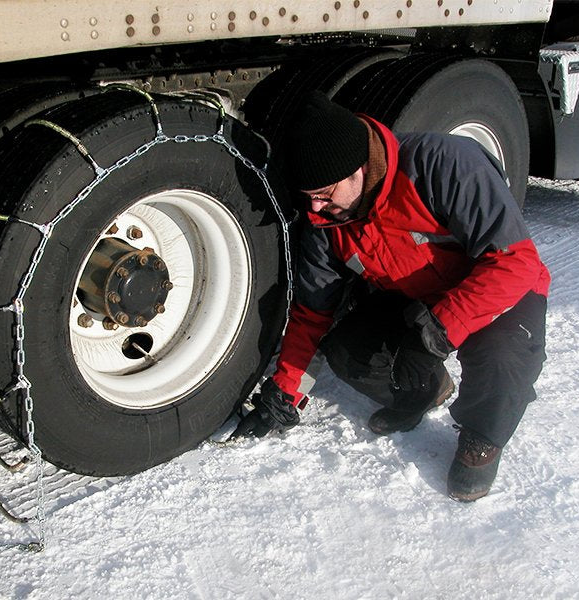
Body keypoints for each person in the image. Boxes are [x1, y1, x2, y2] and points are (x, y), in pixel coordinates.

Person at [233, 91, 550, 502]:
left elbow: (515, 262)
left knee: (505, 361)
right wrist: (285, 392)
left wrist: (434, 333)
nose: (316, 206)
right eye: (308, 195)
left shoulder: (443, 165)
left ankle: (482, 438)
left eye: (326, 193)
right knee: (349, 350)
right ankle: (427, 390)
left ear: (359, 169)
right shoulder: (325, 221)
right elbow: (313, 314)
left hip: (497, 287)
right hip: (414, 298)